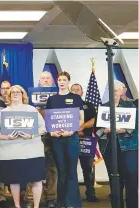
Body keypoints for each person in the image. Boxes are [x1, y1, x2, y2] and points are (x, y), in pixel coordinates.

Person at [0, 85, 46, 208]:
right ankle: (17, 205)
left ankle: (36, 206)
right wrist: (6, 137)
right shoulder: (3, 113)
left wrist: (31, 135)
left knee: (36, 179)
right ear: (9, 96)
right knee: (14, 181)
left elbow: (43, 129)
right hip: (11, 153)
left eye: (18, 92)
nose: (15, 94)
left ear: (23, 95)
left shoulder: (32, 110)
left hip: (32, 152)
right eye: (13, 92)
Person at [96, 80, 138, 208]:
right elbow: (97, 130)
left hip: (129, 148)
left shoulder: (131, 107)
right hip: (110, 149)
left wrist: (126, 129)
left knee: (131, 180)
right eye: (111, 90)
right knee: (115, 181)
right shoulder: (103, 107)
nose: (113, 93)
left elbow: (136, 126)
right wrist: (105, 130)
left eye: (115, 90)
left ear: (122, 91)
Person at [45, 71, 84, 208]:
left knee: (72, 170)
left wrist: (72, 131)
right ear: (57, 81)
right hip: (56, 139)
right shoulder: (52, 99)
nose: (62, 82)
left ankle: (73, 203)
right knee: (61, 171)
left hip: (71, 138)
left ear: (68, 81)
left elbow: (81, 119)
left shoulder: (76, 98)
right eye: (59, 79)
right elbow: (48, 119)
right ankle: (61, 202)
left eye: (64, 80)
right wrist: (52, 132)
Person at [25, 70, 57, 208]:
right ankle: (29, 198)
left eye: (47, 78)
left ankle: (51, 198)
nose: (45, 80)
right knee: (31, 167)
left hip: (52, 137)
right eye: (42, 78)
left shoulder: (57, 98)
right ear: (39, 81)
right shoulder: (30, 99)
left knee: (52, 168)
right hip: (34, 137)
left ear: (52, 81)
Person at [71, 83, 99, 202]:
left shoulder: (88, 105)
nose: (76, 91)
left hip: (86, 140)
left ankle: (90, 193)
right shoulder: (65, 105)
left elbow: (95, 119)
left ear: (82, 92)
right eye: (73, 90)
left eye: (78, 89)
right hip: (70, 140)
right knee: (70, 169)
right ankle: (72, 194)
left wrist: (81, 127)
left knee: (87, 169)